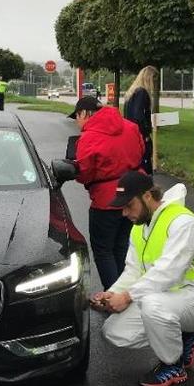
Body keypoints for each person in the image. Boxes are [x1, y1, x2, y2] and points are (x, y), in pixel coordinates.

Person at [94, 172, 194, 386]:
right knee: (114, 332)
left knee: (154, 306)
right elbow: (133, 271)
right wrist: (113, 293)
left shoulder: (183, 222)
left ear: (147, 197)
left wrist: (127, 297)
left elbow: (168, 272)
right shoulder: (139, 228)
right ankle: (186, 334)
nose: (124, 213)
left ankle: (173, 364)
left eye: (129, 205)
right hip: (164, 301)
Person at [67, 96, 144, 290]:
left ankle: (112, 296)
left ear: (84, 113)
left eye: (77, 117)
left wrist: (75, 169)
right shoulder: (130, 126)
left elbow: (84, 173)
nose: (77, 123)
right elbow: (142, 151)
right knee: (122, 245)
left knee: (103, 250)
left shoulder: (89, 137)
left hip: (106, 200)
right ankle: (124, 290)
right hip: (134, 194)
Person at [123, 65, 158, 174]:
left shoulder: (132, 92)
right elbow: (139, 115)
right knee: (144, 164)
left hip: (130, 133)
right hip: (139, 134)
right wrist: (146, 133)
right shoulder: (142, 93)